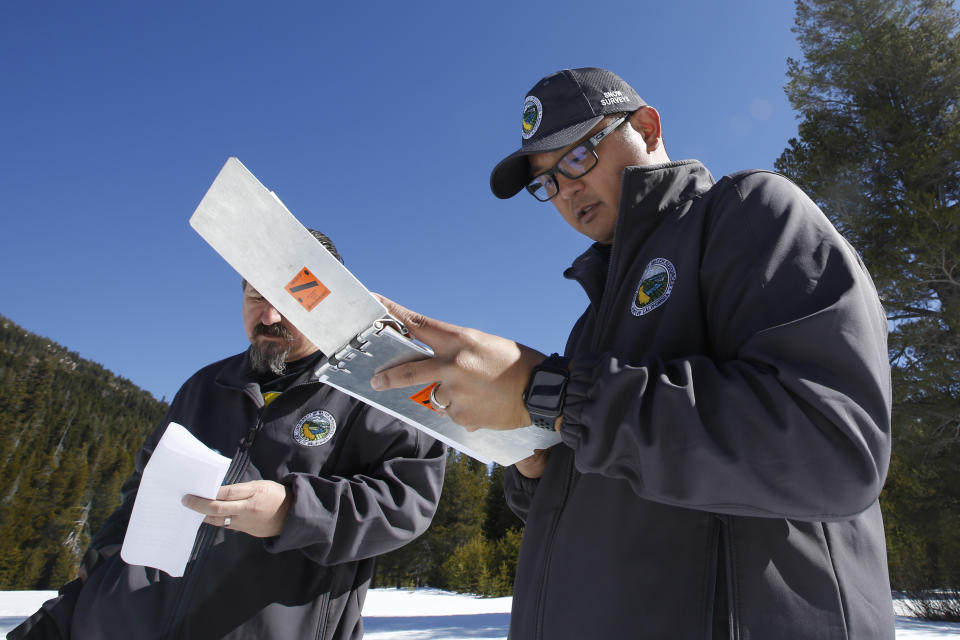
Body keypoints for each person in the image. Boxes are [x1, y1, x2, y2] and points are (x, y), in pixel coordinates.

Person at [369, 68, 894, 639]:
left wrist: (549, 392)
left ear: (646, 126)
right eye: (545, 181)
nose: (564, 190)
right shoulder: (588, 328)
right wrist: (531, 455)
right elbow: (605, 498)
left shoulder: (749, 212)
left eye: (576, 156)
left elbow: (834, 450)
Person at [12, 230, 446, 640]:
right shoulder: (206, 385)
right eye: (256, 296)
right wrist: (93, 575)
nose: (270, 315)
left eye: (288, 299)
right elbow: (140, 496)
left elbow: (407, 503)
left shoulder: (378, 389)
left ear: (326, 303)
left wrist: (293, 511)